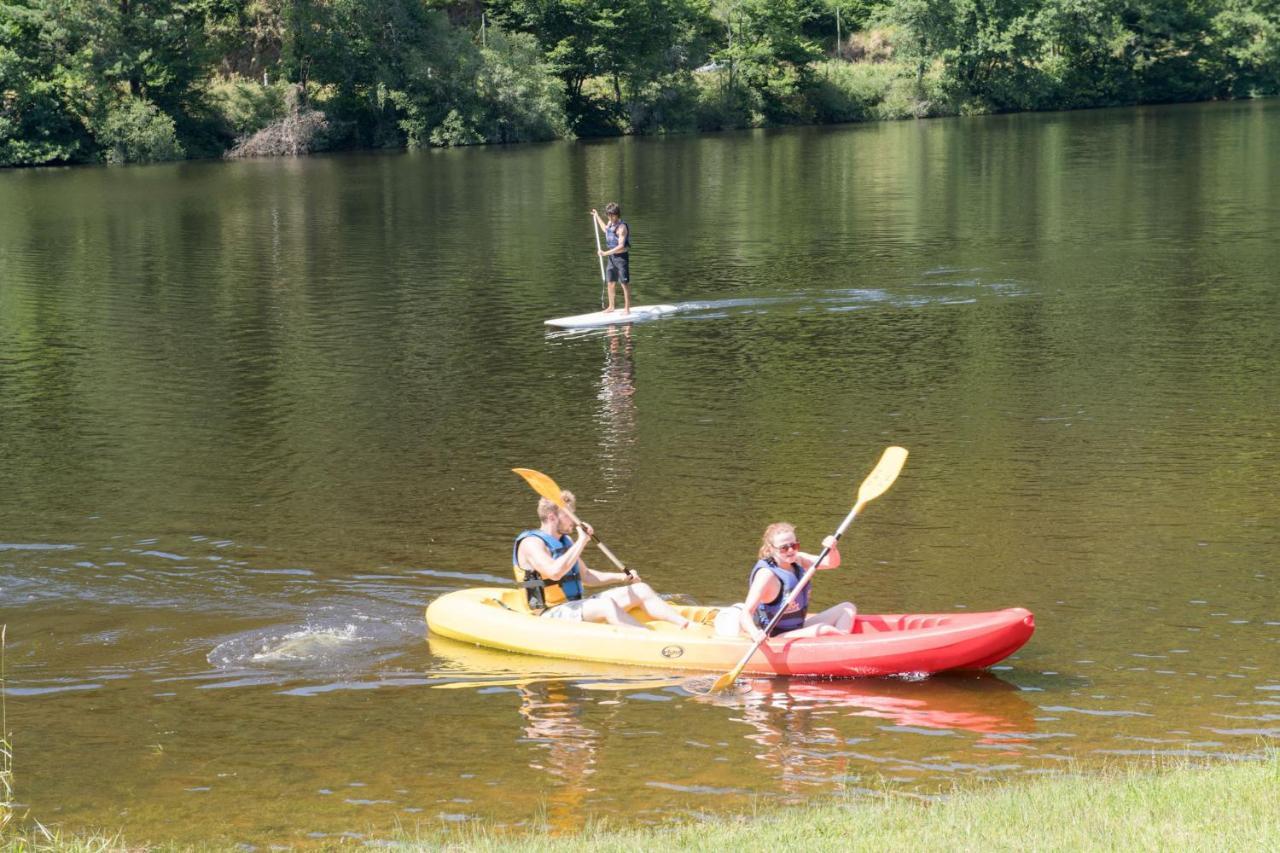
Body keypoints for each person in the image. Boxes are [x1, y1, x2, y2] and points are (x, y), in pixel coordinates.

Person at [513, 490, 690, 628]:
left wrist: (621, 578)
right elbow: (554, 572)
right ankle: (650, 641)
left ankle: (686, 626)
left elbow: (587, 576)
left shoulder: (564, 541)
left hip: (573, 606)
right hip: (546, 613)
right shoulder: (531, 543)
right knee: (606, 605)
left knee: (641, 590)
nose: (575, 522)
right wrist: (582, 541)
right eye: (569, 515)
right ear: (552, 517)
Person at [738, 522, 856, 640]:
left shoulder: (798, 560)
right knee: (824, 629)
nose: (790, 550)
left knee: (847, 608)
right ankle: (844, 644)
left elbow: (831, 563)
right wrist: (755, 634)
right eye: (784, 548)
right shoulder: (766, 575)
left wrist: (832, 549)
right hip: (773, 636)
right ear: (771, 548)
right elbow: (746, 613)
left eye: (794, 545)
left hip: (797, 628)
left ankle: (843, 644)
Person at [591, 203, 631, 314]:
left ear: (617, 214)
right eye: (608, 215)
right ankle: (611, 306)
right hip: (612, 258)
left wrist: (605, 253)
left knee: (624, 283)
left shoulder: (622, 227)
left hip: (621, 258)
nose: (610, 218)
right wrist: (597, 216)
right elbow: (605, 230)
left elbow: (621, 246)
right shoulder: (610, 223)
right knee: (610, 282)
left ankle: (627, 309)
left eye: (612, 215)